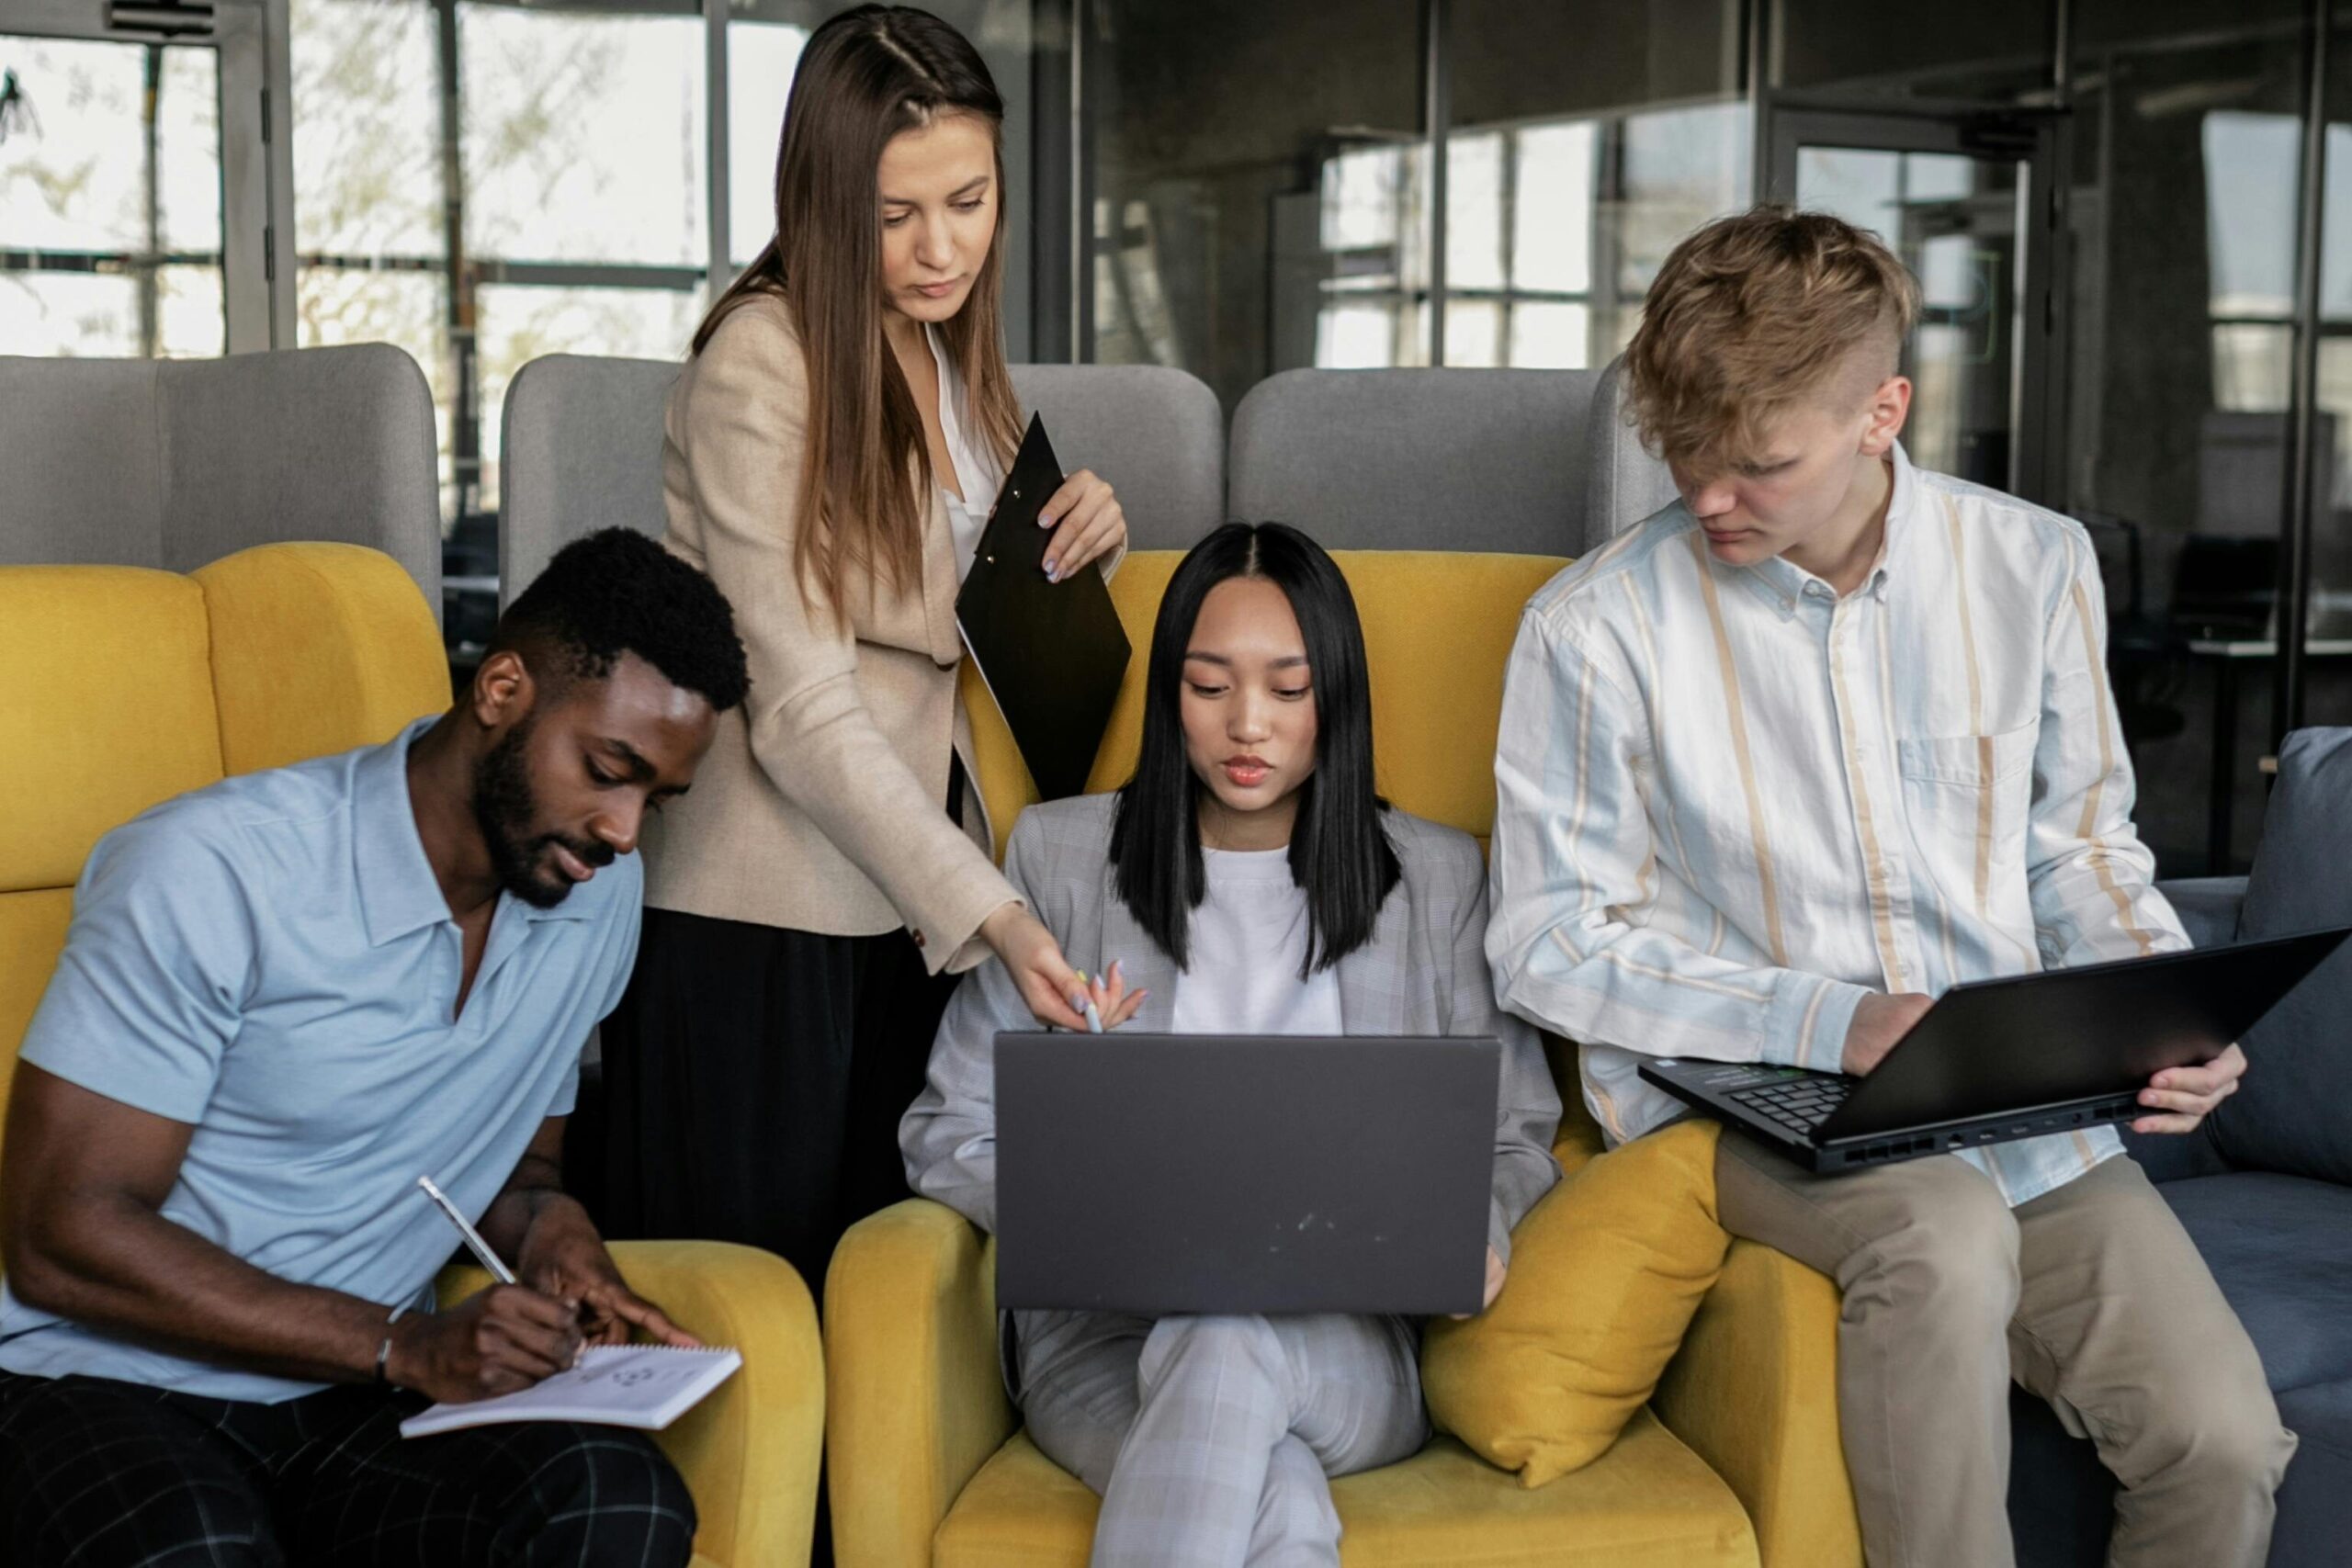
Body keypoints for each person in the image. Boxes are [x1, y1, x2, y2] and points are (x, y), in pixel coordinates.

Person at [1486, 206, 2290, 1568]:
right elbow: (1545, 938)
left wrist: (2170, 1008)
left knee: (2219, 1442)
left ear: (1884, 412)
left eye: (1757, 461)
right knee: (1947, 1235)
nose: (1705, 493)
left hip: (2023, 1105)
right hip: (1758, 1099)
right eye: (1680, 451)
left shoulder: (2034, 566)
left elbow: (2078, 848)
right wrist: (1825, 1018)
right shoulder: (1594, 625)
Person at [0, 529, 752, 1568]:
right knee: (197, 1545)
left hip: (355, 1398)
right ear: (500, 689)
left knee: (612, 1500)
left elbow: (514, 1166)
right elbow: (58, 1236)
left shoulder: (590, 891)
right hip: (99, 1383)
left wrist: (554, 1240)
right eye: (608, 770)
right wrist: (406, 1343)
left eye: (655, 801)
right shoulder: (212, 870)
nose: (624, 830)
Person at [905, 522, 1561, 1568]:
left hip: (1349, 1345)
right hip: (1102, 1342)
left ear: (1333, 695)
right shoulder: (1061, 861)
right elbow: (946, 1132)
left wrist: (1476, 1233)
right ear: (1170, 693)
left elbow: (1520, 1131)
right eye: (1209, 688)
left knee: (1230, 1340)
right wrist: (1082, 1189)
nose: (1245, 724)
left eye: (1286, 690)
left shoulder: (1436, 879)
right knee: (1274, 1499)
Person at [596, 3, 1128, 1294]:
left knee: (883, 1307)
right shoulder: (762, 363)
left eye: (969, 199)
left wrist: (1081, 538)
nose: (942, 246)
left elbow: (957, 596)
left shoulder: (951, 352)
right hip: (765, 915)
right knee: (761, 1310)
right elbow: (803, 707)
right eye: (897, 216)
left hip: (904, 896)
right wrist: (998, 913)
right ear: (827, 198)